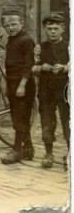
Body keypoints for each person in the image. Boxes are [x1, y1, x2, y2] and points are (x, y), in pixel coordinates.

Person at [0, 7, 36, 164]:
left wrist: (22, 85)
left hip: (24, 83)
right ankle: (28, 148)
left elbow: (28, 65)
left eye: (14, 24)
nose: (10, 28)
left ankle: (17, 150)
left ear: (22, 23)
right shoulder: (11, 40)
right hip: (12, 81)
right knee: (18, 115)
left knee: (20, 117)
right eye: (7, 26)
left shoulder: (27, 40)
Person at [34, 12, 69, 169]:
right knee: (47, 122)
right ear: (45, 29)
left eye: (56, 28)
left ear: (63, 29)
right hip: (46, 90)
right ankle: (48, 154)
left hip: (65, 91)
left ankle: (70, 154)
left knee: (68, 122)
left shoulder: (69, 46)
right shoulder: (40, 47)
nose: (52, 32)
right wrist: (42, 67)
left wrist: (65, 67)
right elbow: (32, 68)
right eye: (49, 28)